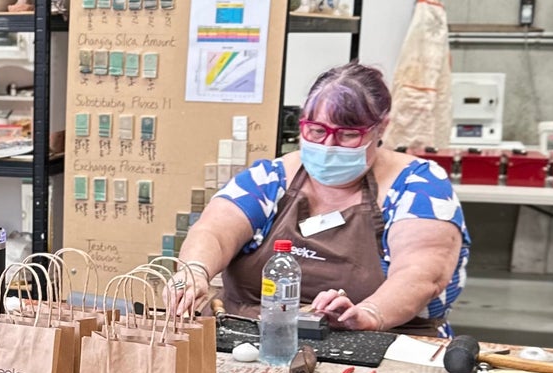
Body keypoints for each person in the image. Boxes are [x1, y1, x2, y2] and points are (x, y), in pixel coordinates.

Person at [175, 61, 468, 331]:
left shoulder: (419, 186)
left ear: (381, 128)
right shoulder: (270, 179)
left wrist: (369, 315)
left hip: (381, 344)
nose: (328, 145)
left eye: (348, 135)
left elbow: (419, 274)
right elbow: (213, 231)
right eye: (316, 131)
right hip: (252, 334)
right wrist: (195, 272)